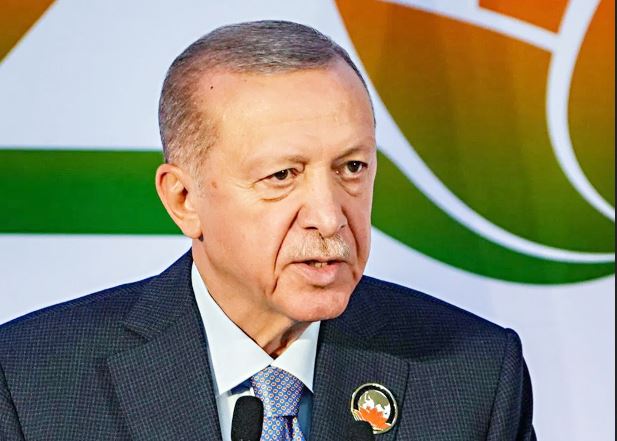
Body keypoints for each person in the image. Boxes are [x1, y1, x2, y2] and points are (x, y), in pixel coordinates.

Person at [0, 21, 536, 441]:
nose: (329, 217)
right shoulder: (32, 383)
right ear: (184, 200)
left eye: (352, 168)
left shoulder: (474, 377)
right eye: (282, 176)